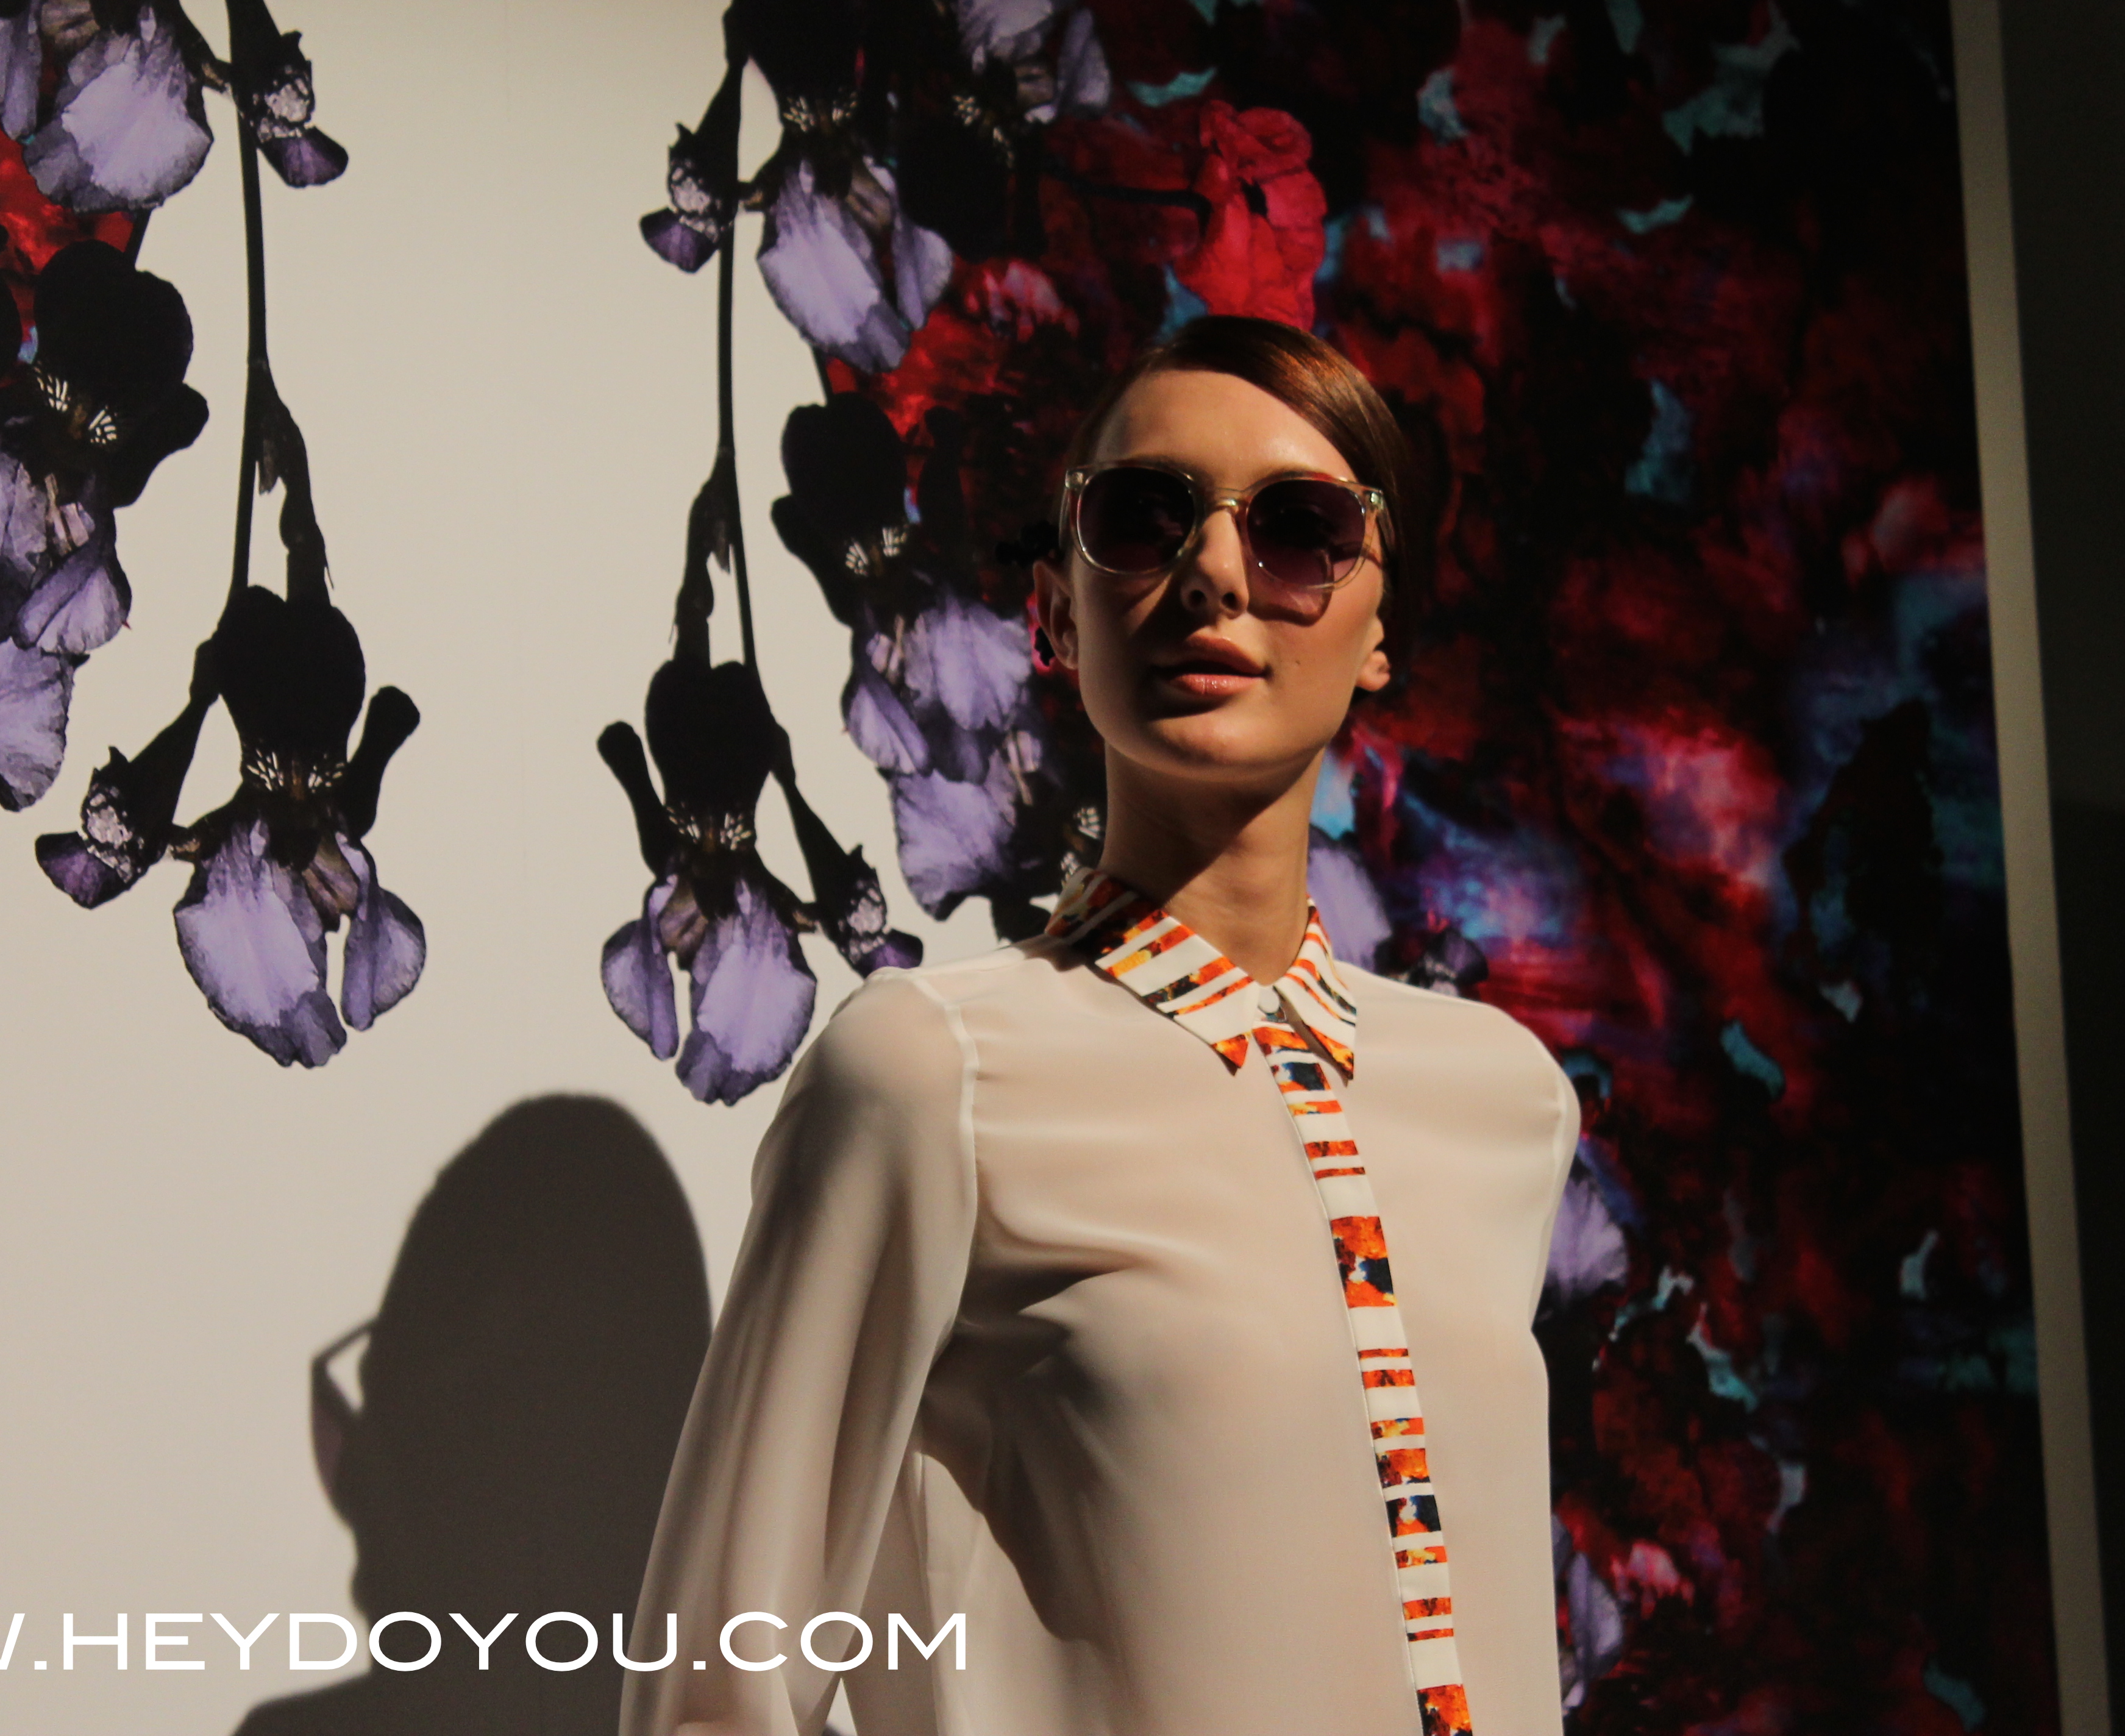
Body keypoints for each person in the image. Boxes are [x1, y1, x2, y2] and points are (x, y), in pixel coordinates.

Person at [622, 317, 1579, 1736]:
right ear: (1056, 614)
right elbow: (718, 1693)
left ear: (1381, 629)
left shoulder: (1505, 1100)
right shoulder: (927, 1074)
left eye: (1302, 530)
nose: (1215, 573)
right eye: (1143, 516)